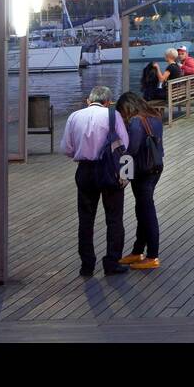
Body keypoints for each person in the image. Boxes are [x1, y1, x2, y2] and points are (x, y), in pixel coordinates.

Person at [61, 85, 129, 277]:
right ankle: (112, 262)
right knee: (114, 218)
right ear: (108, 102)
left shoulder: (74, 117)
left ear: (89, 100)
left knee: (85, 219)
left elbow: (66, 148)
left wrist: (82, 152)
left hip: (85, 171)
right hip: (110, 171)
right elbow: (124, 143)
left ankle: (87, 264)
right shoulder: (113, 116)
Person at [117, 91, 163, 270]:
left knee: (146, 211)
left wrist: (122, 173)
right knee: (142, 208)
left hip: (142, 170)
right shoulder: (155, 116)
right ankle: (138, 250)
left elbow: (131, 150)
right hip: (155, 167)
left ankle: (152, 255)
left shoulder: (136, 121)